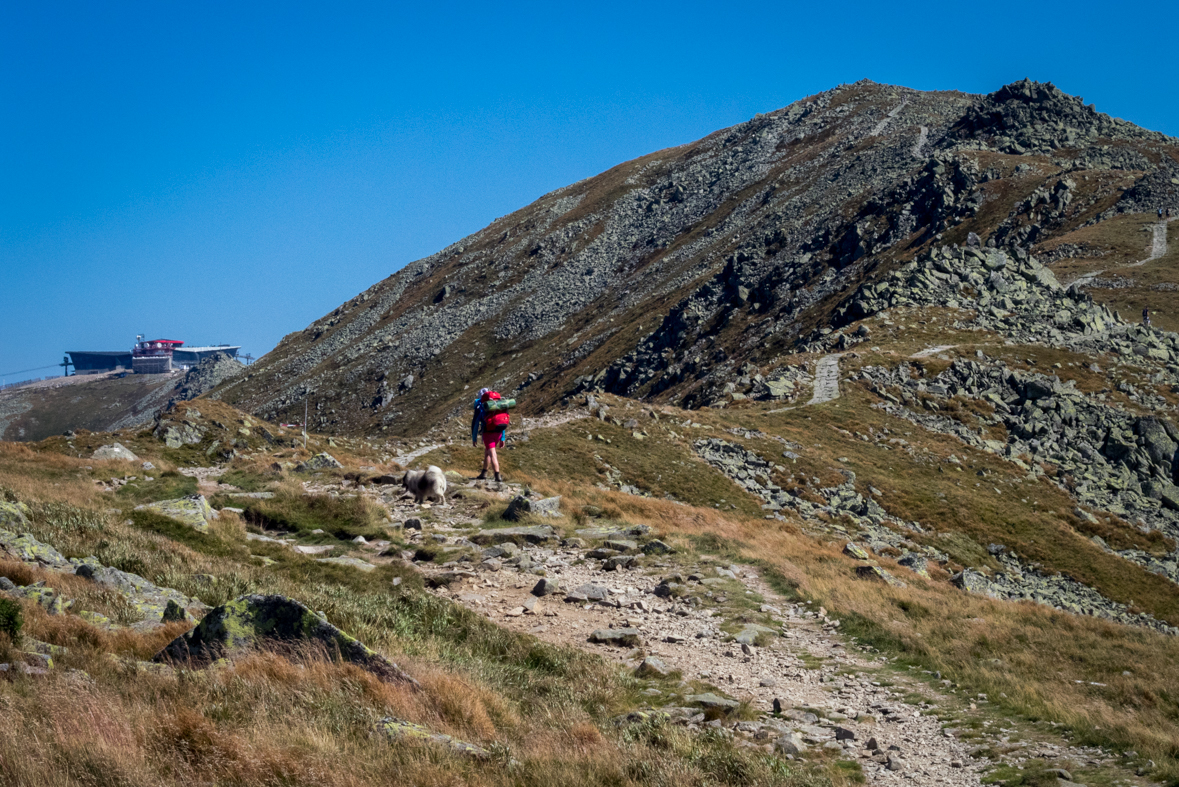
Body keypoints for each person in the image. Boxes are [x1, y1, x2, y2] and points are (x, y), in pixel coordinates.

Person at [471, 387, 508, 482]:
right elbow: (500, 420)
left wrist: (474, 438)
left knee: (492, 454)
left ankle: (497, 475)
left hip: (488, 433)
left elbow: (475, 424)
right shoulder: (497, 406)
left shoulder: (481, 407)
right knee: (487, 452)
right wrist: (502, 438)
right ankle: (484, 473)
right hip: (498, 432)